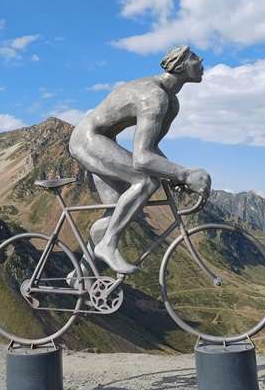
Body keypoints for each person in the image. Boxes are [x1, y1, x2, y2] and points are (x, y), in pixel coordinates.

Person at [69, 45, 211, 275]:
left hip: (104, 140)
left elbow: (152, 148)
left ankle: (80, 276)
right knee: (145, 182)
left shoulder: (171, 103)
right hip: (87, 139)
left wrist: (175, 175)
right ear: (180, 65)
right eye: (196, 59)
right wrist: (184, 174)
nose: (202, 63)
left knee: (120, 212)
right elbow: (142, 159)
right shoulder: (154, 97)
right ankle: (108, 245)